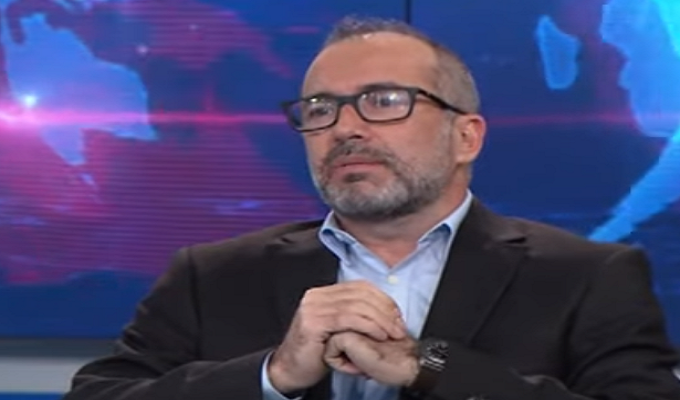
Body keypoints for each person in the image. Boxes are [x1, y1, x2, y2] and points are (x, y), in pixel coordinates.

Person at [62, 16, 680, 400]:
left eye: (384, 101)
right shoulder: (212, 274)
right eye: (320, 109)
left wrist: (426, 365)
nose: (344, 128)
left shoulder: (588, 276)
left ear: (466, 137)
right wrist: (272, 374)